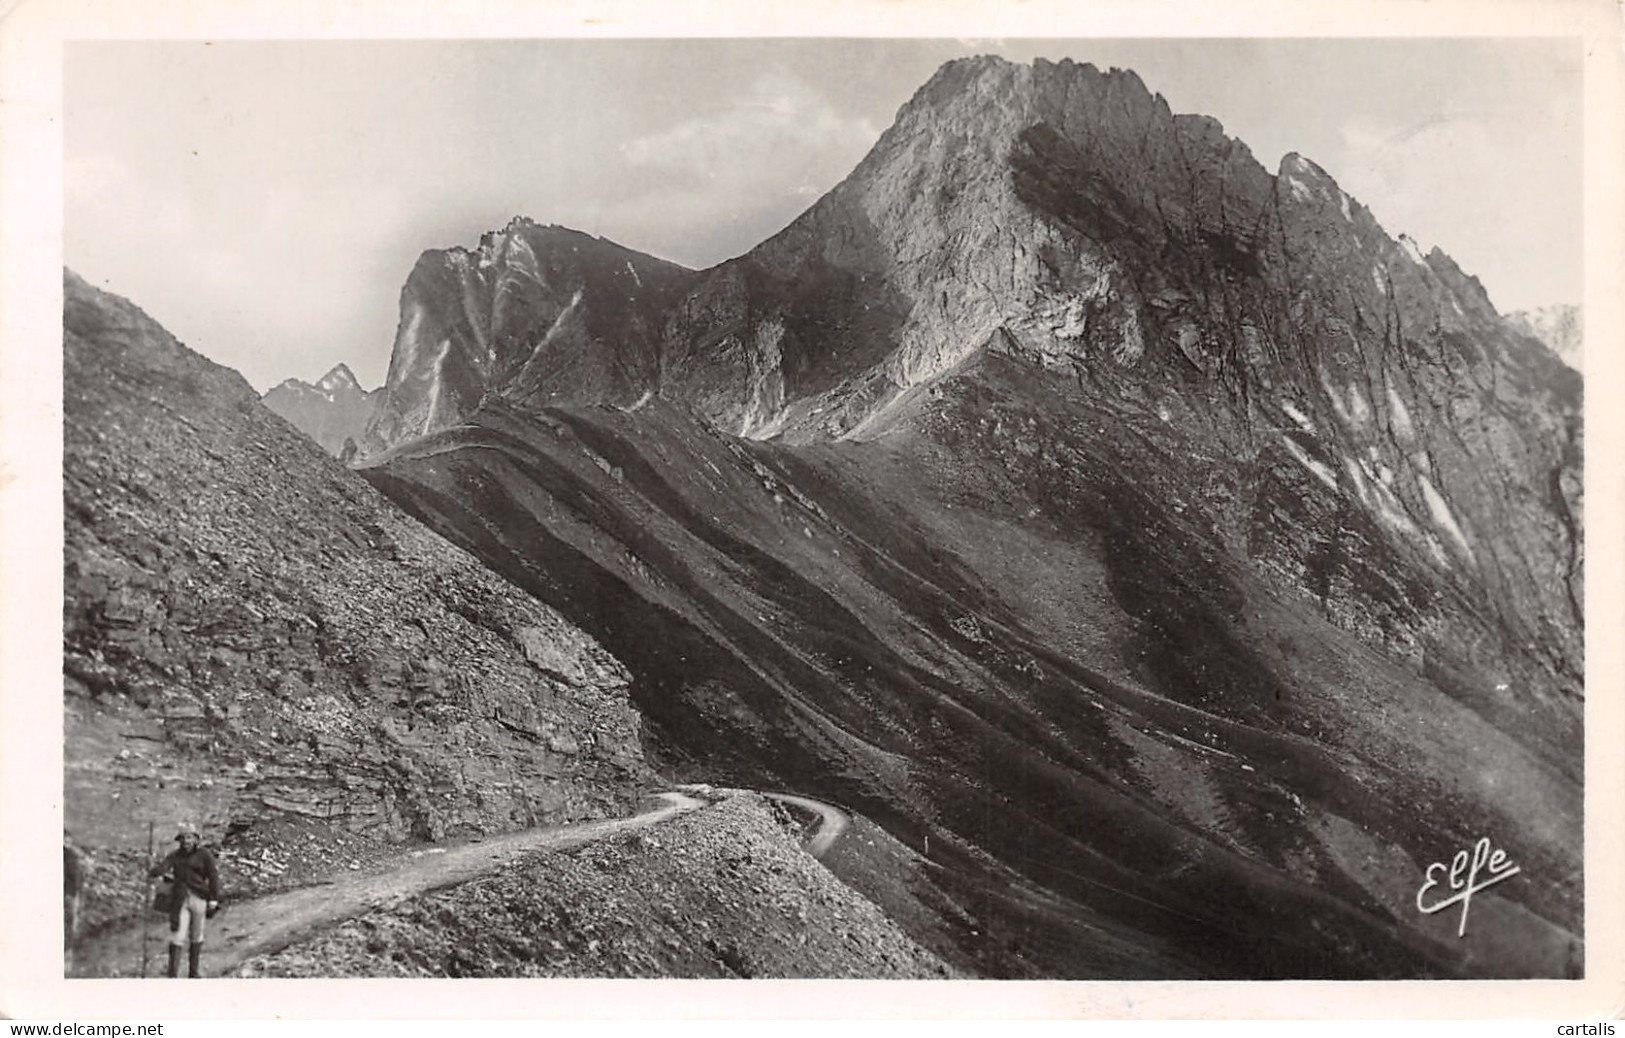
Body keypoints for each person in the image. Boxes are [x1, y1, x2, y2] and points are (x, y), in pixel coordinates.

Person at [148, 823, 221, 978]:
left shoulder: (204, 855)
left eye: (189, 838)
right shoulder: (174, 856)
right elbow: (162, 869)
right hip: (180, 901)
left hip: (200, 899)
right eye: (183, 838)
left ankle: (193, 974)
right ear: (179, 840)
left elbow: (213, 877)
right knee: (177, 936)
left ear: (195, 839)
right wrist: (151, 867)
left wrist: (213, 900)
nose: (186, 841)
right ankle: (172, 975)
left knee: (196, 936)